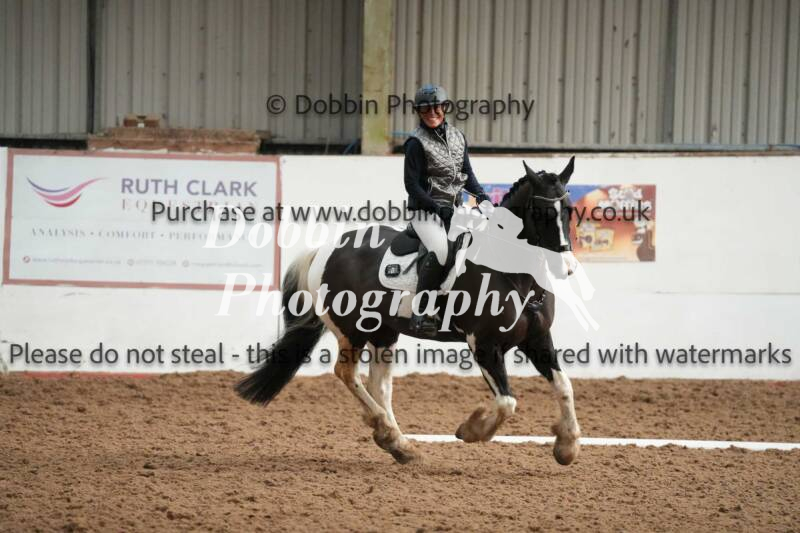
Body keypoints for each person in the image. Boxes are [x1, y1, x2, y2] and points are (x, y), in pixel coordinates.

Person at [404, 84, 491, 336]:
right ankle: (421, 312)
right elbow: (411, 185)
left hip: (454, 211)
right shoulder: (415, 143)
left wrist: (482, 197)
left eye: (436, 108)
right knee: (441, 250)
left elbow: (467, 174)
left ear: (444, 108)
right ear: (419, 112)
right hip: (425, 213)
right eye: (425, 109)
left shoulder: (458, 136)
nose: (431, 113)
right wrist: (436, 207)